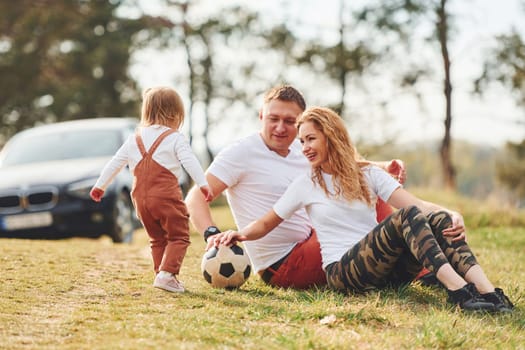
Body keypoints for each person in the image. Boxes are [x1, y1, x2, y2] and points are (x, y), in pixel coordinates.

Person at [214, 106, 514, 313]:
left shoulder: (368, 174)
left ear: (331, 136)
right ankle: (459, 291)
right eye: (302, 140)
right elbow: (267, 223)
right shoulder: (306, 182)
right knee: (407, 218)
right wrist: (238, 235)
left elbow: (418, 205)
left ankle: (488, 292)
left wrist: (450, 212)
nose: (304, 147)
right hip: (345, 273)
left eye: (310, 139)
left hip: (383, 272)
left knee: (434, 217)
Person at [186, 84, 407, 289]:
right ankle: (416, 269)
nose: (280, 128)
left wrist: (383, 167)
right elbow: (195, 196)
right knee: (359, 223)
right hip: (284, 264)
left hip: (313, 240)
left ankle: (415, 267)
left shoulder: (302, 148)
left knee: (366, 192)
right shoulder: (241, 154)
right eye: (273, 118)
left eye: (289, 121)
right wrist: (211, 233)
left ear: (300, 123)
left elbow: (344, 166)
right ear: (261, 116)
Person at [90, 87, 213, 293]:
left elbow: (115, 163)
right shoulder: (175, 138)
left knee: (157, 238)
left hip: (140, 198)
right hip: (165, 196)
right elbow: (190, 162)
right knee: (179, 236)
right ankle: (167, 274)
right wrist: (203, 184)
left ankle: (160, 274)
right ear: (175, 114)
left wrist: (100, 186)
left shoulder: (134, 138)